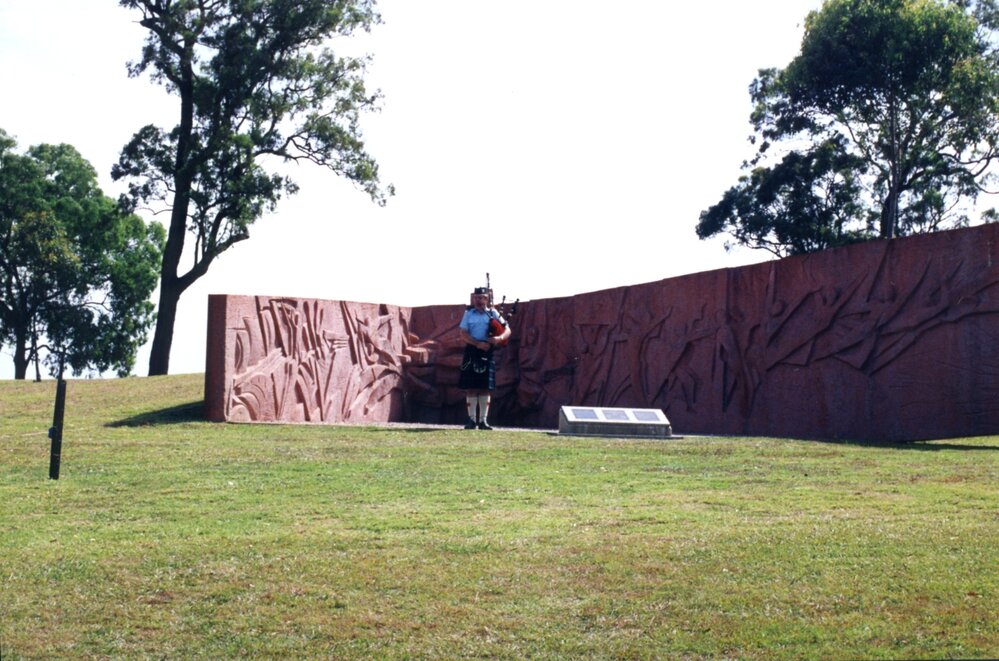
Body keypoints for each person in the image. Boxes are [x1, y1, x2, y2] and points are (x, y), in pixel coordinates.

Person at [458, 286, 511, 430]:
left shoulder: (493, 313)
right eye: (476, 297)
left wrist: (499, 338)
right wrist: (477, 344)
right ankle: (471, 420)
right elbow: (463, 333)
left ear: (487, 299)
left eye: (481, 298)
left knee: (485, 388)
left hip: (488, 351)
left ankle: (483, 421)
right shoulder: (468, 314)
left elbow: (508, 330)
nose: (478, 300)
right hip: (472, 350)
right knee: (471, 387)